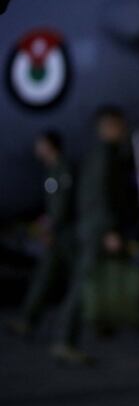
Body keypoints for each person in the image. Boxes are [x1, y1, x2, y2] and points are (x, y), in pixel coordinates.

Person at [50, 106, 137, 363]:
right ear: (107, 127)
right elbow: (99, 195)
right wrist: (109, 230)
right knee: (84, 282)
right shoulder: (103, 156)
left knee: (125, 275)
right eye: (119, 125)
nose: (124, 131)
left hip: (97, 227)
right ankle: (64, 339)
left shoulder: (104, 154)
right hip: (99, 229)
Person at [6, 131, 74, 336]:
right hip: (58, 235)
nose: (37, 149)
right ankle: (27, 319)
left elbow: (62, 205)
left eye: (40, 144)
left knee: (79, 281)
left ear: (50, 146)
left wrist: (50, 227)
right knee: (45, 276)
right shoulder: (52, 169)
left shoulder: (62, 169)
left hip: (65, 235)